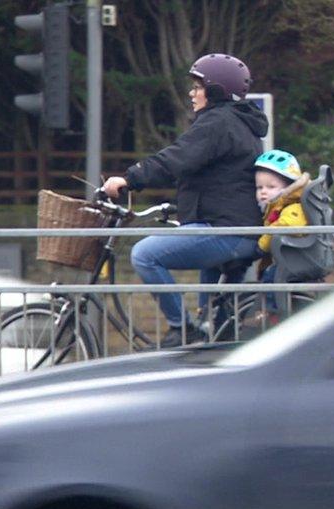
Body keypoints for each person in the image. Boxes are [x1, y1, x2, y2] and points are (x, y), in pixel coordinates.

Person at [102, 53, 268, 348]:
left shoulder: (219, 122)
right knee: (211, 331)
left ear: (216, 91)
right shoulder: (236, 122)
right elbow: (214, 176)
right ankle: (205, 342)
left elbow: (176, 159)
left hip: (227, 231)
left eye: (198, 87)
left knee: (145, 255)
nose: (192, 93)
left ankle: (181, 327)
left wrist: (130, 179)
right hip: (234, 227)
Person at [253, 149, 310, 315]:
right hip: (289, 258)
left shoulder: (293, 206)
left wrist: (262, 245)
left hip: (297, 259)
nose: (263, 191)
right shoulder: (276, 207)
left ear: (289, 188)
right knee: (269, 275)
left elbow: (288, 225)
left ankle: (271, 314)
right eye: (259, 187)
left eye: (271, 187)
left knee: (271, 279)